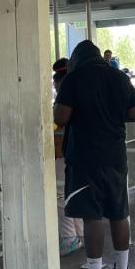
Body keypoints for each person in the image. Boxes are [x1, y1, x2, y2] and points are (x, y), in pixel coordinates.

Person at [54, 40, 135, 269]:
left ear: (76, 60)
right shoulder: (120, 77)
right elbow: (132, 114)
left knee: (92, 216)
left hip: (86, 158)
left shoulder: (73, 79)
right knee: (118, 212)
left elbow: (60, 118)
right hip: (116, 156)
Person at [52, 59, 83, 256]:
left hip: (64, 151)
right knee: (75, 192)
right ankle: (80, 235)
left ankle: (69, 238)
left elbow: (57, 121)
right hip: (80, 150)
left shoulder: (65, 96)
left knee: (59, 194)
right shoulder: (81, 89)